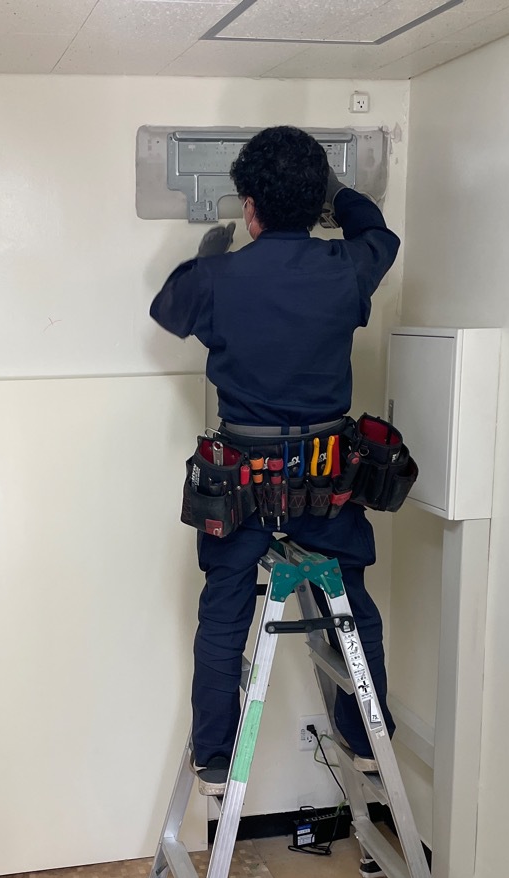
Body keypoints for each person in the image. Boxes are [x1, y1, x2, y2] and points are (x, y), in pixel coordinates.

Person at [150, 125, 401, 795]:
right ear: (314, 204)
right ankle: (367, 739)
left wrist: (207, 255)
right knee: (353, 604)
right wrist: (339, 194)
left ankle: (214, 758)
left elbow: (167, 307)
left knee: (224, 609)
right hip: (325, 483)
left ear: (250, 207)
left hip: (243, 487)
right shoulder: (346, 266)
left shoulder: (219, 279)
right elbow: (381, 235)